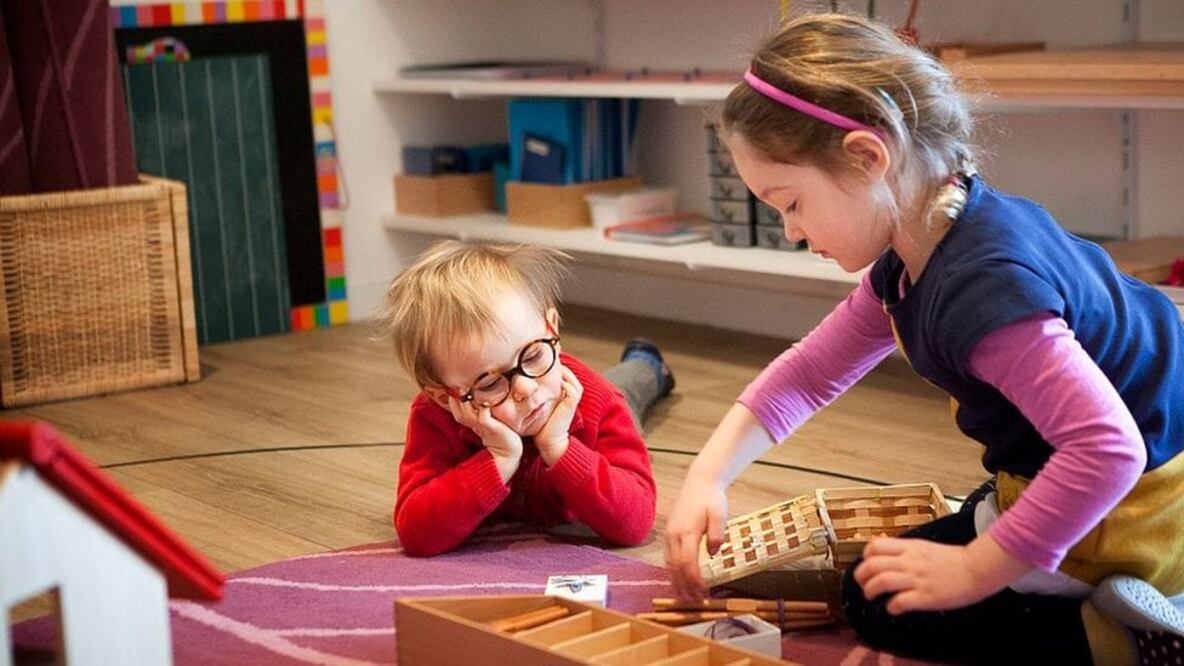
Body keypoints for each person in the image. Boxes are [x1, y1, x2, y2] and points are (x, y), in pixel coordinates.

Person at [663, 12, 1184, 664]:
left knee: (884, 605)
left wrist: (972, 572)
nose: (791, 231)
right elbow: (808, 374)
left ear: (868, 157)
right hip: (1067, 481)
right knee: (882, 579)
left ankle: (1133, 638)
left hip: (1129, 512)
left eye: (791, 204)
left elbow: (1107, 451)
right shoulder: (924, 243)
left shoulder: (982, 289)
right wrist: (707, 478)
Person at [379, 240, 674, 557]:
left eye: (532, 355)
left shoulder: (600, 400)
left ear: (552, 328)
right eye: (491, 382)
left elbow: (636, 522)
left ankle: (647, 363)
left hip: (581, 394)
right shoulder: (435, 416)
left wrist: (559, 447)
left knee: (626, 387)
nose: (526, 389)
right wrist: (498, 458)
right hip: (555, 391)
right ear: (443, 397)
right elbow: (417, 533)